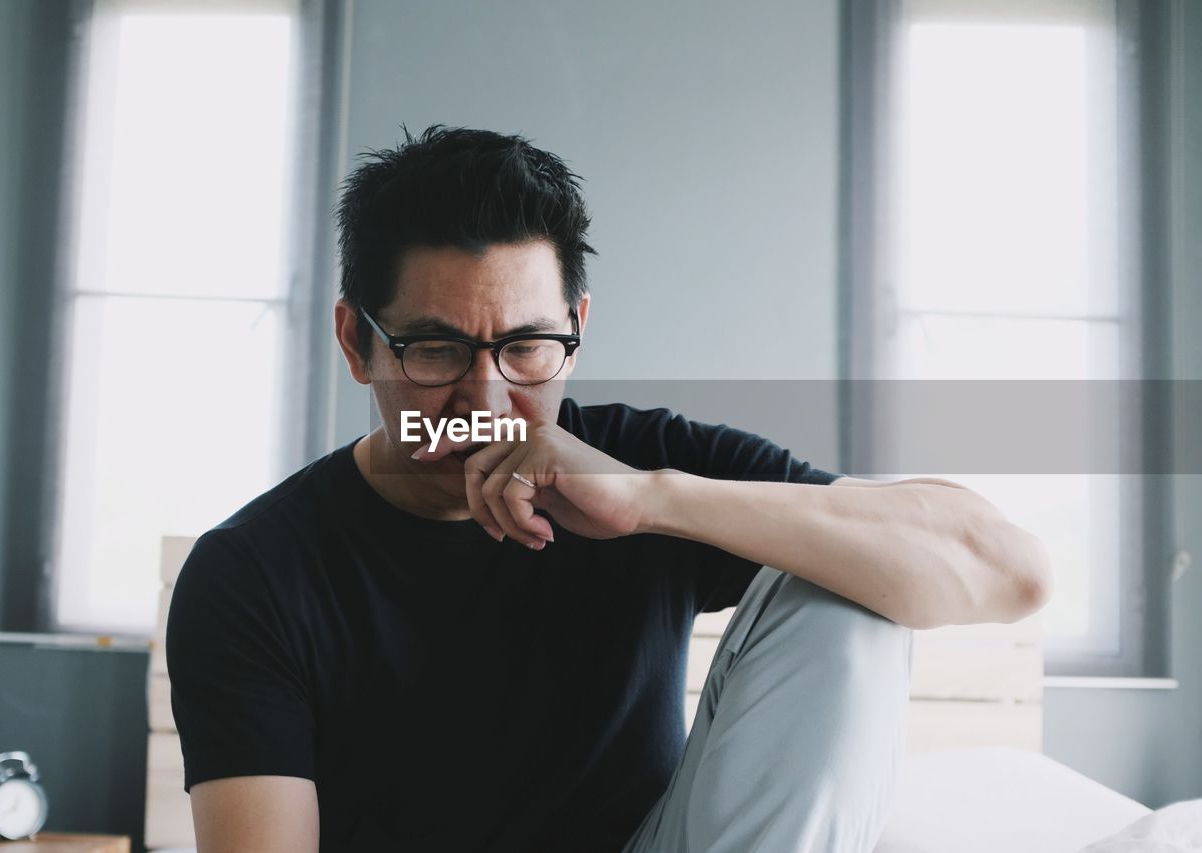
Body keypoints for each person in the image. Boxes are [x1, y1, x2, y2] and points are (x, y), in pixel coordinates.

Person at [166, 125, 1052, 853]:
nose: (484, 400)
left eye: (526, 348)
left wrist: (652, 500)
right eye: (434, 349)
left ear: (577, 328)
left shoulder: (634, 459)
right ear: (357, 340)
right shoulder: (253, 574)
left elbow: (1015, 574)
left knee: (846, 574)